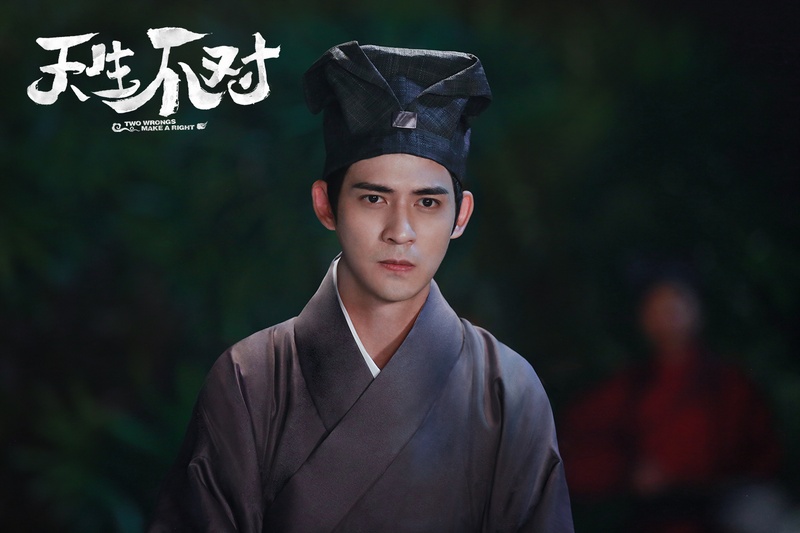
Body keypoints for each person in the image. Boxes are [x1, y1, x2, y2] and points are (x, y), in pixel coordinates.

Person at [146, 41, 573, 532]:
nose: (400, 231)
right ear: (325, 205)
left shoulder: (507, 391)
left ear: (461, 215)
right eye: (374, 198)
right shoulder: (251, 380)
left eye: (427, 203)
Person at [560, 276, 781, 533]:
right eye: (657, 309)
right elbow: (576, 445)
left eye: (675, 307)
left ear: (697, 312)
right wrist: (626, 472)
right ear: (643, 319)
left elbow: (764, 457)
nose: (667, 318)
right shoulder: (630, 387)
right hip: (656, 516)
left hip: (723, 513)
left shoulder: (729, 383)